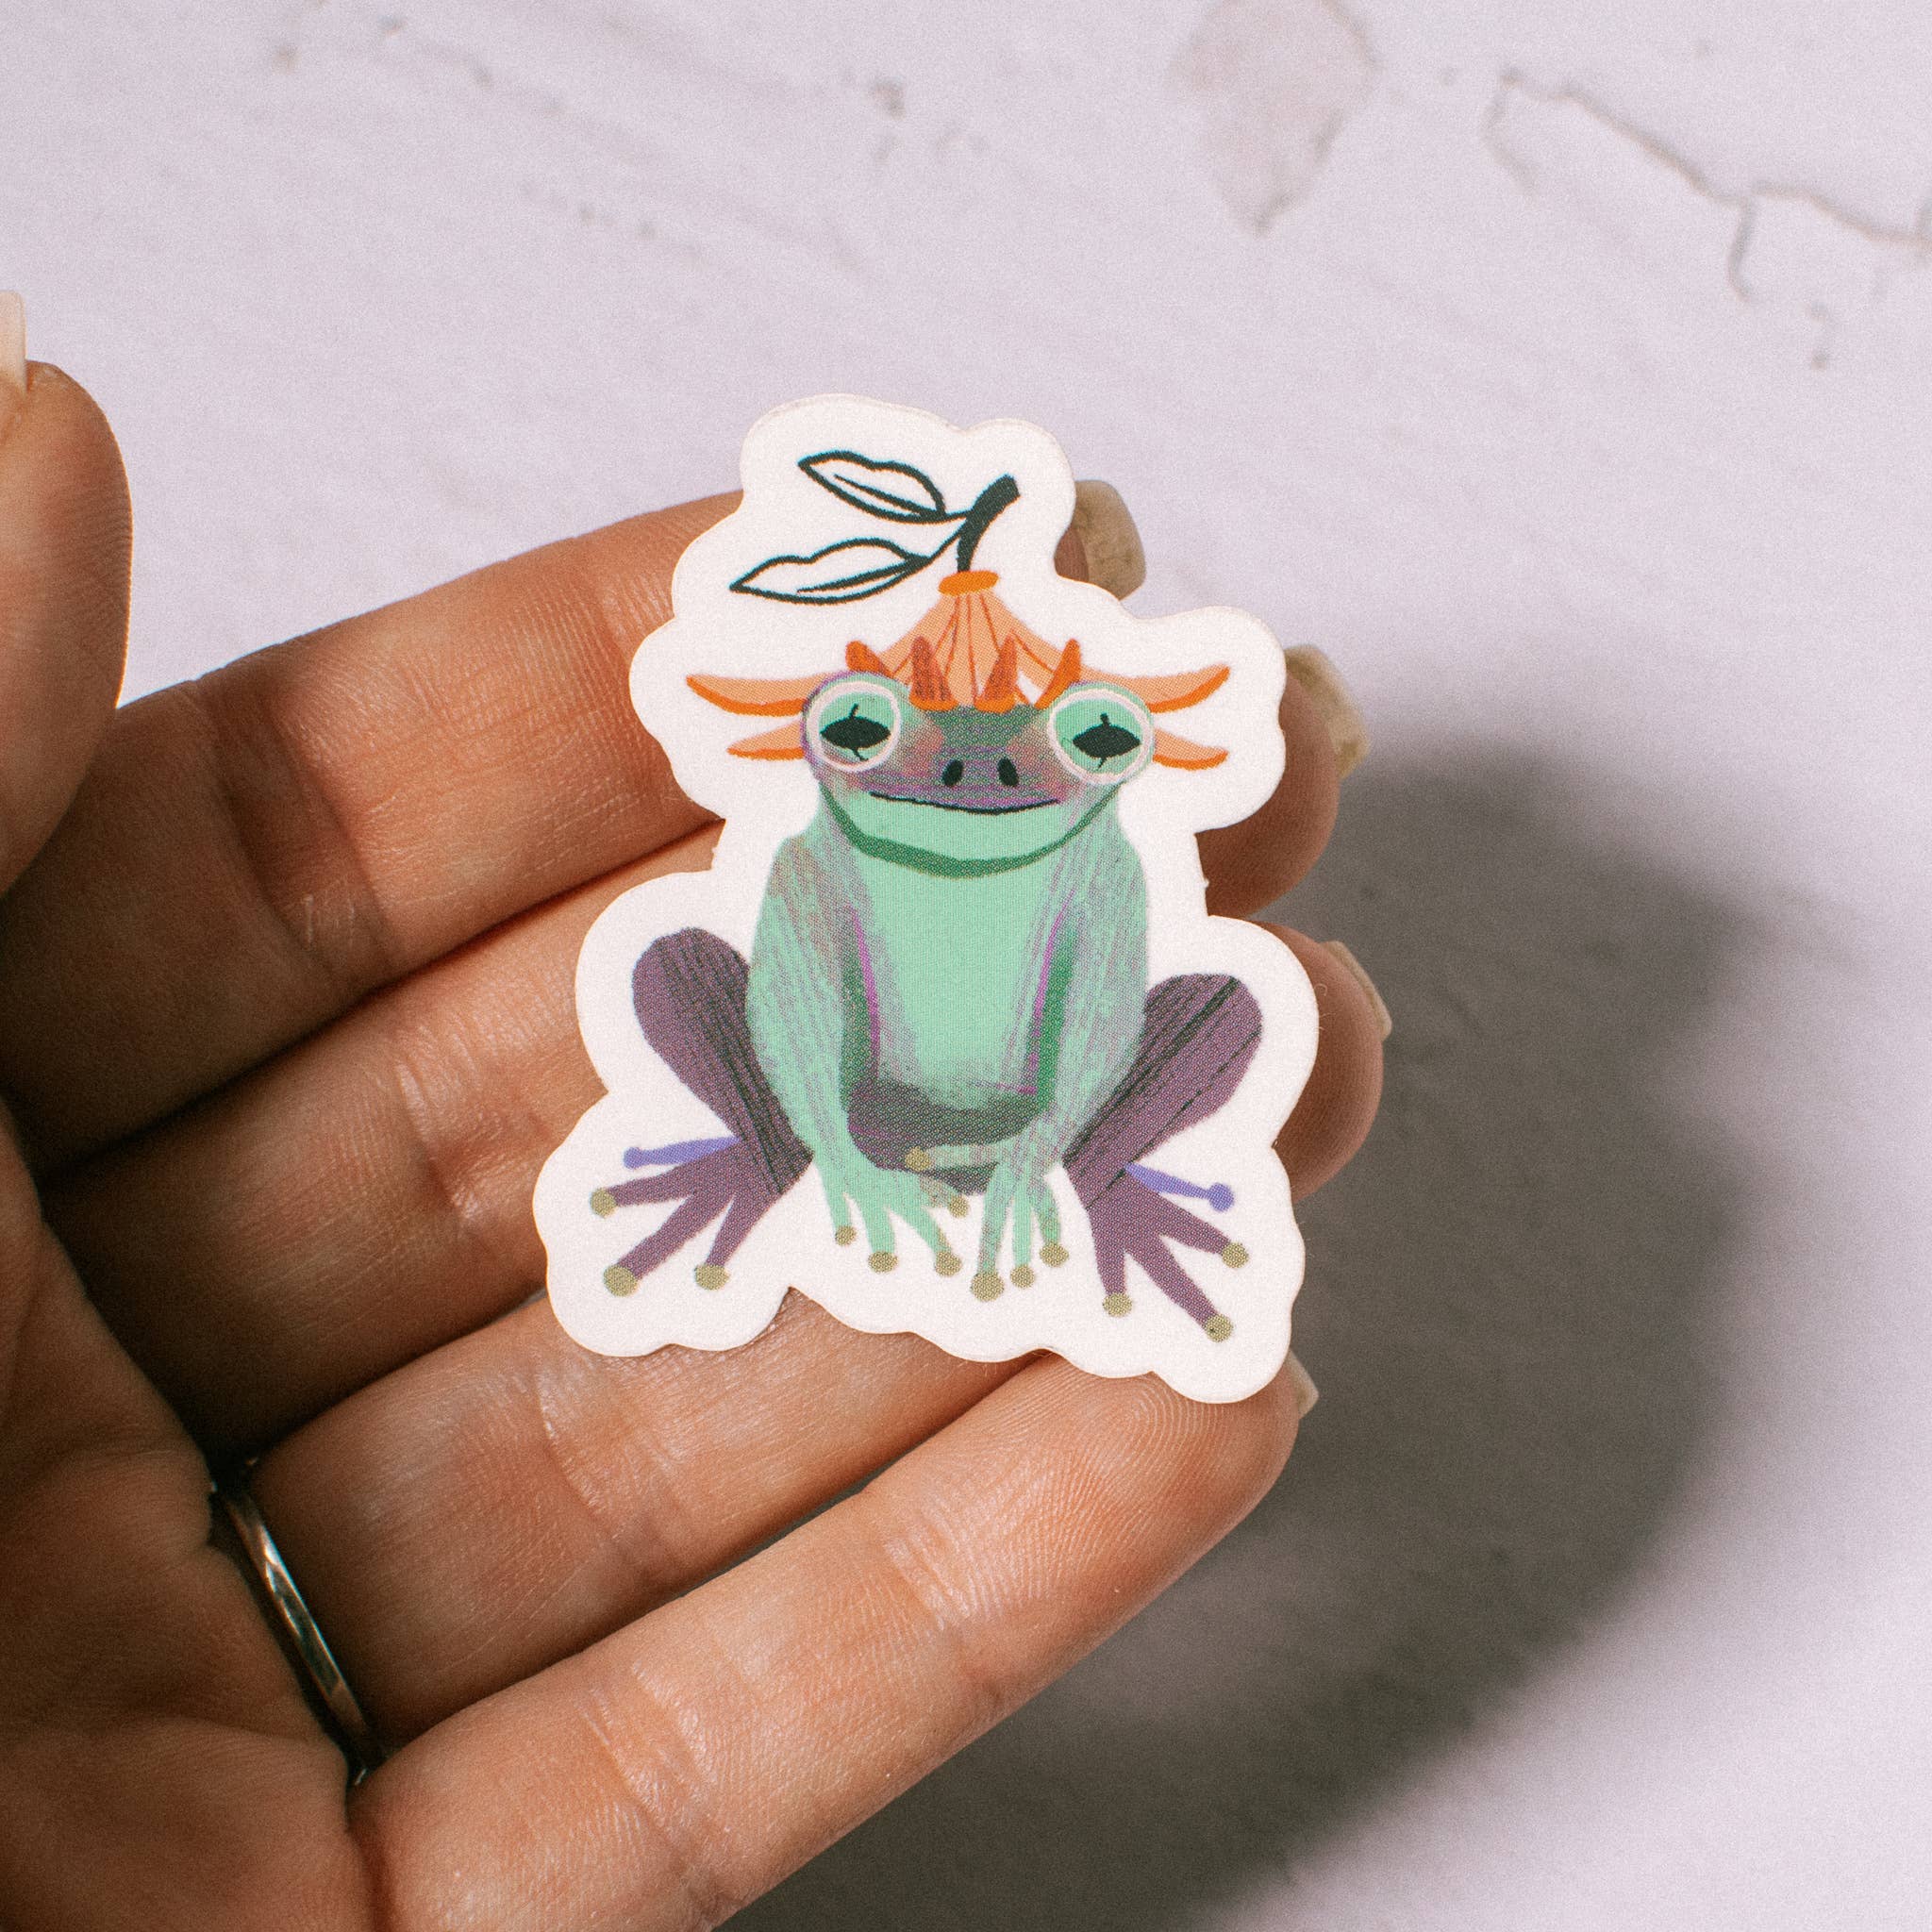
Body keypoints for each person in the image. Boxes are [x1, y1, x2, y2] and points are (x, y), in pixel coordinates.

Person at [0, 329, 1384, 1927]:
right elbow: (787, 985)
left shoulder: (1098, 861)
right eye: (875, 737)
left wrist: (1052, 1157)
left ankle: (1093, 1185)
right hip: (828, 1114)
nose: (968, 779)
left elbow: (1099, 1005)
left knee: (1229, 1015)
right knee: (675, 967)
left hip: (1046, 1129)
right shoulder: (816, 854)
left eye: (1064, 749)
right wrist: (835, 1151)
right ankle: (761, 1164)